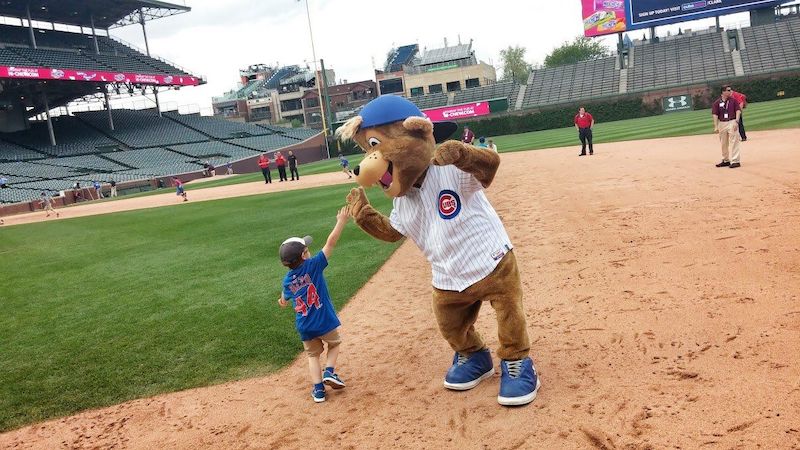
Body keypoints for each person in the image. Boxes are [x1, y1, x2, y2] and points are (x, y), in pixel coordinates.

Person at [278, 206, 350, 403]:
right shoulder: (314, 265)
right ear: (304, 256)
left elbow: (285, 296)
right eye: (307, 250)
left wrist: (282, 300)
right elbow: (331, 243)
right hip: (323, 319)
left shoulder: (287, 280)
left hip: (305, 325)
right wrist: (341, 221)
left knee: (312, 356)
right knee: (334, 345)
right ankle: (329, 371)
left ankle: (318, 390)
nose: (309, 251)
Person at [712, 85, 743, 168]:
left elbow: (738, 111)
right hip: (722, 123)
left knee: (734, 141)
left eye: (730, 90)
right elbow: (715, 114)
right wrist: (716, 126)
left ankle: (735, 161)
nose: (730, 91)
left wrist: (737, 121)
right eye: (728, 90)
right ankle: (725, 160)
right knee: (723, 143)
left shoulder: (733, 101)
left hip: (732, 121)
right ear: (723, 92)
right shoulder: (717, 103)